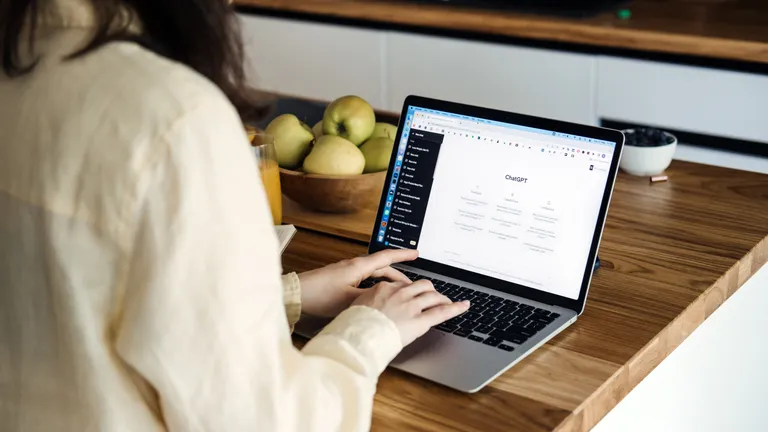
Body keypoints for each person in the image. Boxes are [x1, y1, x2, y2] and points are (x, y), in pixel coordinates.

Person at [0, 0, 469, 430]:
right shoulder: (177, 118)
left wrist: (286, 295)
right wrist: (370, 329)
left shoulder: (21, 60)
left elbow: (86, 296)